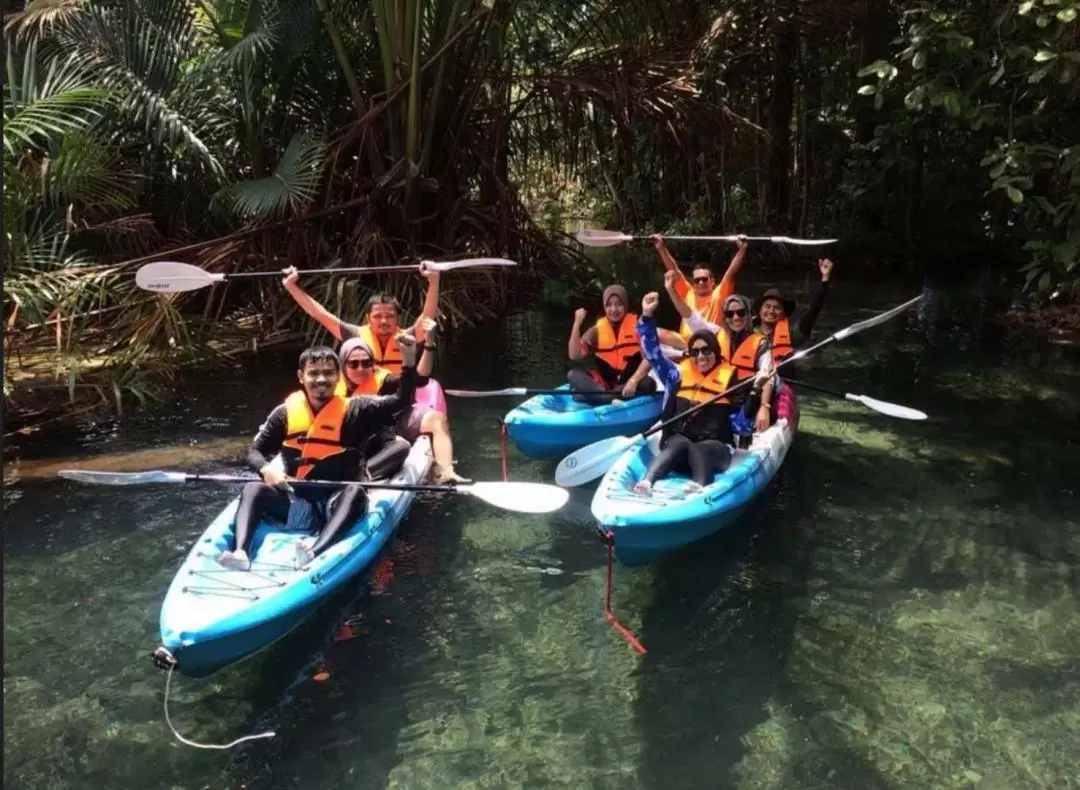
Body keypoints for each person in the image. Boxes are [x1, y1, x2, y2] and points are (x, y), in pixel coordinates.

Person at [216, 337, 420, 572]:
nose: (321, 379)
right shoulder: (284, 414)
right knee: (253, 488)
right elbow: (254, 452)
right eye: (313, 373)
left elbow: (401, 400)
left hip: (338, 502)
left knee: (355, 491)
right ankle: (240, 552)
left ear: (338, 377)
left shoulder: (357, 409)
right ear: (301, 377)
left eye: (328, 373)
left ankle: (314, 552)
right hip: (298, 501)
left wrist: (408, 362)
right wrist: (265, 469)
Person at [282, 266, 470, 484]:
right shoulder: (355, 336)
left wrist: (434, 281)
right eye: (378, 316)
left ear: (397, 318)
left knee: (436, 420)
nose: (384, 321)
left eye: (389, 316)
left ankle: (445, 472)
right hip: (357, 410)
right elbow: (318, 313)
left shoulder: (406, 337)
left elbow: (427, 317)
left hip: (396, 407)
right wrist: (291, 286)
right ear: (367, 318)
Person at [633, 291, 773, 496]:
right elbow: (652, 353)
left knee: (700, 449)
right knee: (677, 443)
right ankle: (647, 482)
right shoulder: (676, 375)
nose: (701, 356)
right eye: (696, 351)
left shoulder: (730, 381)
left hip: (716, 450)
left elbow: (741, 425)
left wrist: (755, 392)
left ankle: (700, 488)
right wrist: (646, 316)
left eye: (707, 350)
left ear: (716, 353)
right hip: (680, 450)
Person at [663, 271, 776, 431]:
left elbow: (768, 377)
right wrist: (671, 290)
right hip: (717, 398)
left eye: (741, 312)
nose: (736, 317)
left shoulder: (761, 343)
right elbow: (690, 317)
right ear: (725, 317)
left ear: (749, 314)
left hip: (747, 399)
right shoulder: (716, 333)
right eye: (730, 314)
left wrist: (765, 406)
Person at [651, 233, 749, 350]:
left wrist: (742, 250)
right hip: (685, 343)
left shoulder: (719, 294)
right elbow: (673, 269)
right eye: (697, 280)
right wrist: (661, 248)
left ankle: (694, 350)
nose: (701, 283)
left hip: (711, 343)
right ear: (693, 284)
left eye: (704, 279)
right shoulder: (688, 293)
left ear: (712, 281)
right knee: (653, 332)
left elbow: (731, 272)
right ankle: (688, 350)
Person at [567, 284, 658, 406]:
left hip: (629, 384)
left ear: (625, 305)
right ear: (604, 307)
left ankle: (596, 397)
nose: (614, 309)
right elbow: (574, 355)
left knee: (649, 383)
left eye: (618, 304)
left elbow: (649, 358)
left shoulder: (638, 326)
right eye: (609, 305)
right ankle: (608, 399)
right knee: (573, 374)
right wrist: (577, 323)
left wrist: (633, 380)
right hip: (605, 386)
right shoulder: (596, 331)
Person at [753, 258, 834, 362]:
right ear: (760, 311)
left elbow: (813, 313)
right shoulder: (747, 331)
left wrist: (825, 278)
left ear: (784, 314)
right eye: (767, 307)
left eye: (777, 308)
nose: (771, 311)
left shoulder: (792, 335)